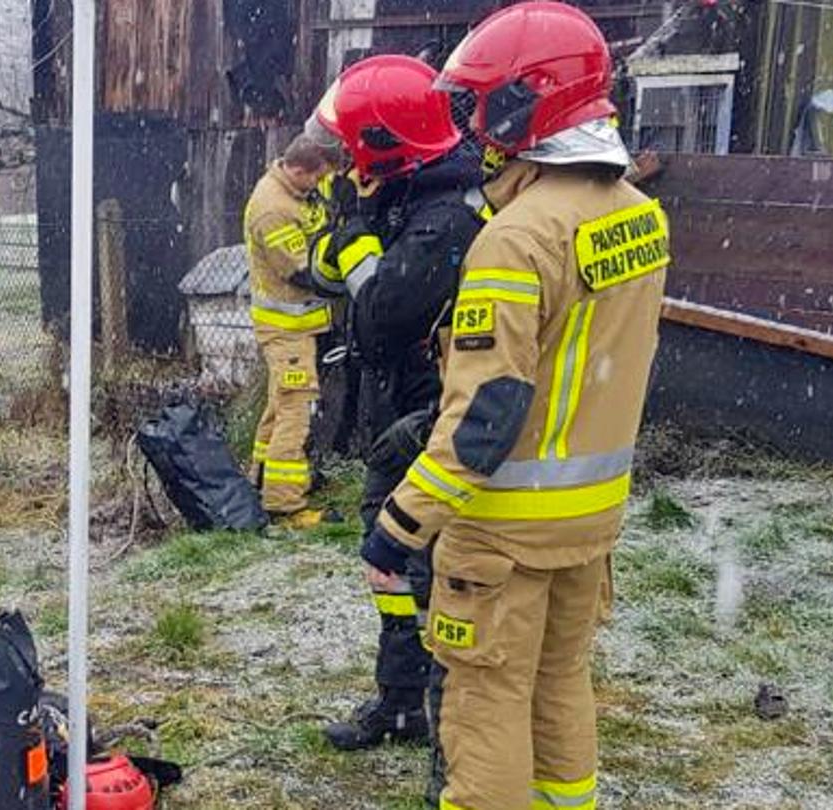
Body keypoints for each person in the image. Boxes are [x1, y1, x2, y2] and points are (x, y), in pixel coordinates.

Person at [362, 5, 670, 807]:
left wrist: (399, 526)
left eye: (484, 104)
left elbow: (486, 413)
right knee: (560, 683)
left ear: (523, 104)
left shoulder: (517, 238)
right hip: (591, 519)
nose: (477, 129)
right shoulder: (640, 215)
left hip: (503, 526)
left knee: (484, 705)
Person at [302, 55, 492, 759]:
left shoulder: (447, 217)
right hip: (396, 416)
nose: (346, 160)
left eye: (355, 146)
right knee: (388, 567)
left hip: (429, 419)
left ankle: (447, 723)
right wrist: (348, 235)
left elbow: (382, 315)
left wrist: (355, 249)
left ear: (386, 145)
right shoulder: (402, 194)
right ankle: (403, 697)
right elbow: (320, 272)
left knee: (423, 567)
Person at [241, 132, 339, 526]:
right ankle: (285, 504)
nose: (317, 186)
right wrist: (346, 277)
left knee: (278, 405)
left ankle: (260, 479)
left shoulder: (292, 192)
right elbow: (301, 272)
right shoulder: (273, 209)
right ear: (298, 169)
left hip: (294, 326)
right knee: (296, 409)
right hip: (287, 328)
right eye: (314, 179)